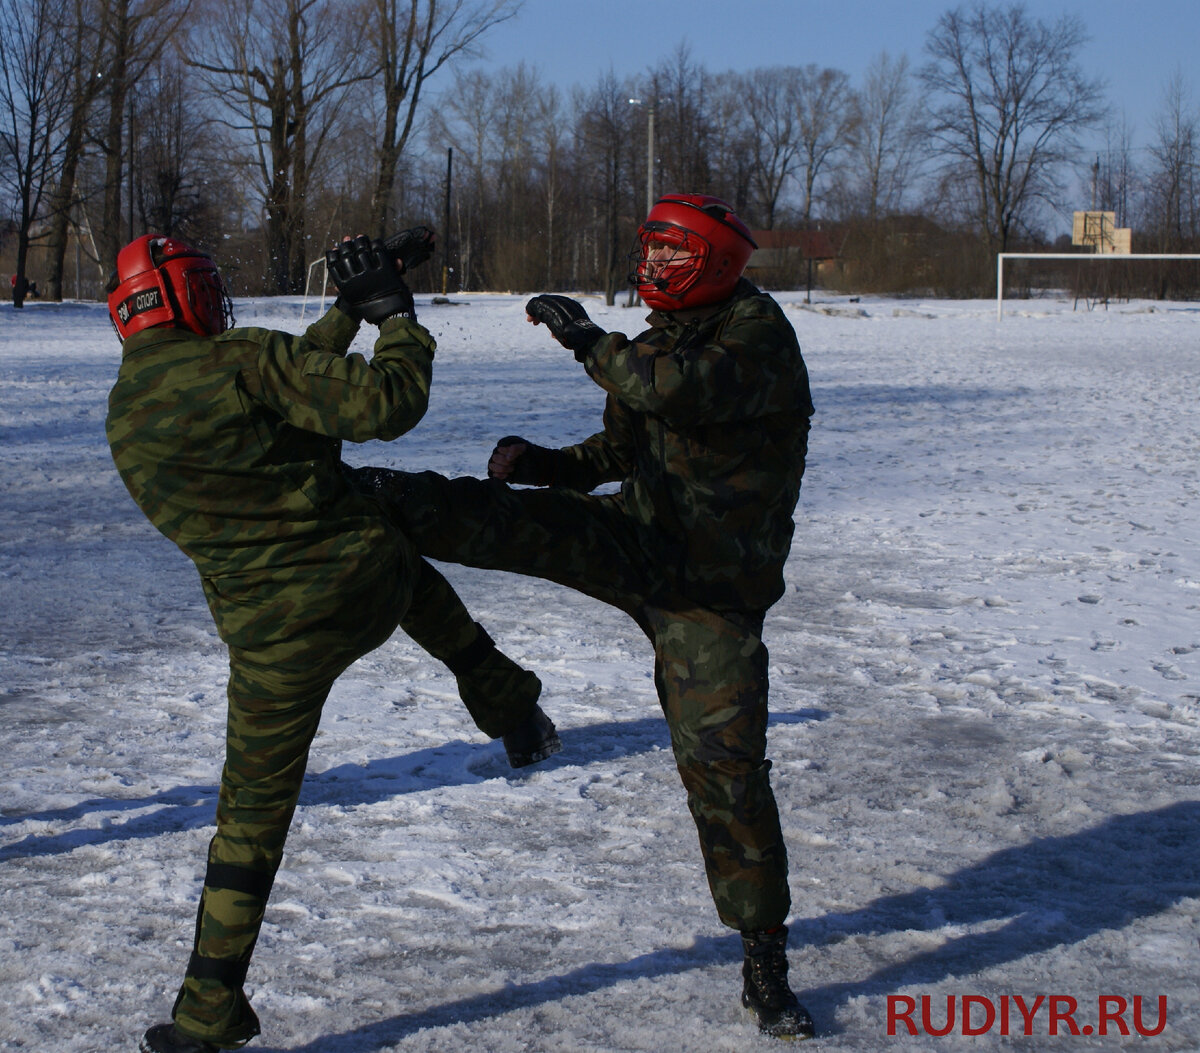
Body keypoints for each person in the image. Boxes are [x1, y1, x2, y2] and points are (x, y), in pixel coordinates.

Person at [356, 194, 816, 1039]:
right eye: (650, 249)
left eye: (670, 253)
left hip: (709, 593)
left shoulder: (756, 338)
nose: (651, 265)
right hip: (636, 539)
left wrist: (585, 341)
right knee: (506, 524)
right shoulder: (656, 340)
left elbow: (672, 393)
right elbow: (622, 447)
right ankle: (375, 496)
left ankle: (765, 956)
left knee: (726, 768)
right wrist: (546, 467)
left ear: (711, 262)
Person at [105, 231, 561, 1053]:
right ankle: (515, 709)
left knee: (249, 819)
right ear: (183, 298)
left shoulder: (128, 411)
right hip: (362, 579)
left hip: (273, 636)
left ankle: (208, 1014)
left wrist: (342, 316)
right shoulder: (242, 358)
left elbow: (277, 393)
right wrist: (395, 318)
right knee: (404, 569)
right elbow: (386, 403)